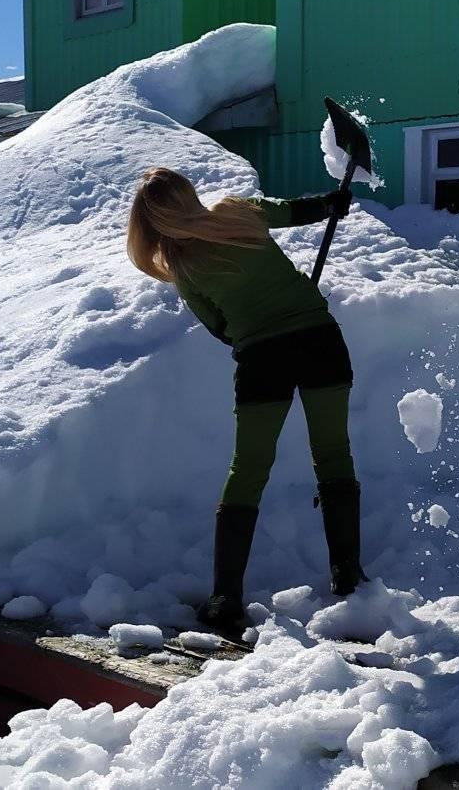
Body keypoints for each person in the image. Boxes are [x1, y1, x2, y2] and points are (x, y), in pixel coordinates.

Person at [126, 166, 366, 631]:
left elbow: (218, 326)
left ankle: (225, 596)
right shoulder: (238, 211)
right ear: (190, 195)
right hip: (320, 341)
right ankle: (348, 576)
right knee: (333, 453)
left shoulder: (183, 265)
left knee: (249, 468)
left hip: (262, 358)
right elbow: (296, 211)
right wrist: (329, 205)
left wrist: (254, 321)